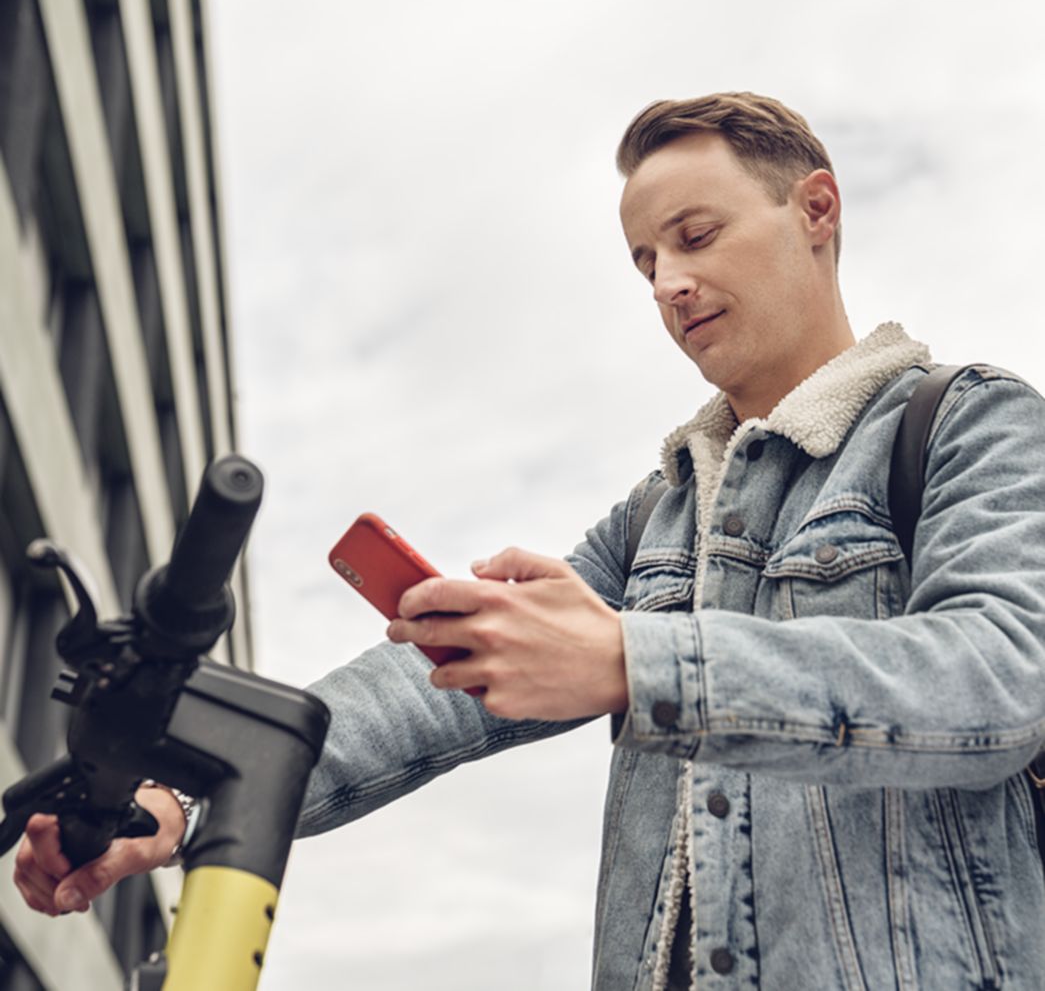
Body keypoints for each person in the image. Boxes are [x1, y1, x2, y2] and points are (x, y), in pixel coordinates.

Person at [13, 92, 1045, 989]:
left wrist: (631, 658)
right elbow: (426, 691)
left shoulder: (966, 422)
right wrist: (185, 797)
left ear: (814, 209)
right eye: (645, 261)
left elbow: (998, 674)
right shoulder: (658, 515)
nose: (666, 284)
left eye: (694, 235)